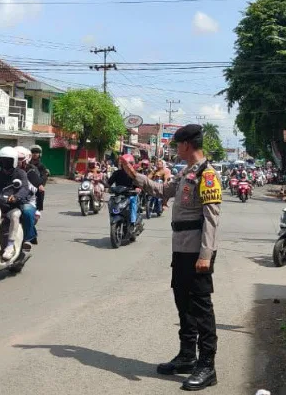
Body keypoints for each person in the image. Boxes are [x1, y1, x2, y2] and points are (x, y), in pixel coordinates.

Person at [119, 124, 221, 391]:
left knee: (201, 308)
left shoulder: (207, 174)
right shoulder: (187, 172)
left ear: (187, 144)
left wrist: (206, 255)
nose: (176, 149)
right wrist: (135, 175)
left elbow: (211, 218)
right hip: (181, 248)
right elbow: (162, 191)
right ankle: (187, 356)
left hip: (197, 251)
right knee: (183, 302)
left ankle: (207, 365)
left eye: (178, 145)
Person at [0, 146, 35, 261]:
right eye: (2, 161)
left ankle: (10, 246)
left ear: (14, 161)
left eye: (8, 161)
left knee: (15, 215)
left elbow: (25, 188)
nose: (5, 163)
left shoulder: (20, 173)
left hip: (13, 206)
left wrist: (16, 197)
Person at [107, 154, 140, 230]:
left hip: (130, 195)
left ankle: (133, 222)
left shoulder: (134, 174)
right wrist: (106, 187)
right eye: (124, 164)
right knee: (111, 202)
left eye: (128, 164)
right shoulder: (117, 173)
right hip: (118, 195)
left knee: (133, 202)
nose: (126, 166)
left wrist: (137, 188)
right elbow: (109, 183)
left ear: (131, 164)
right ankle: (113, 217)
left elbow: (138, 183)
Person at [29, 145, 49, 212]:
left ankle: (38, 209)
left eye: (36, 152)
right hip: (27, 184)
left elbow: (44, 176)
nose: (35, 154)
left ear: (39, 154)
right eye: (33, 152)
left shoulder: (41, 165)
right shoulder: (27, 164)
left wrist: (41, 185)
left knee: (41, 192)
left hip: (37, 185)